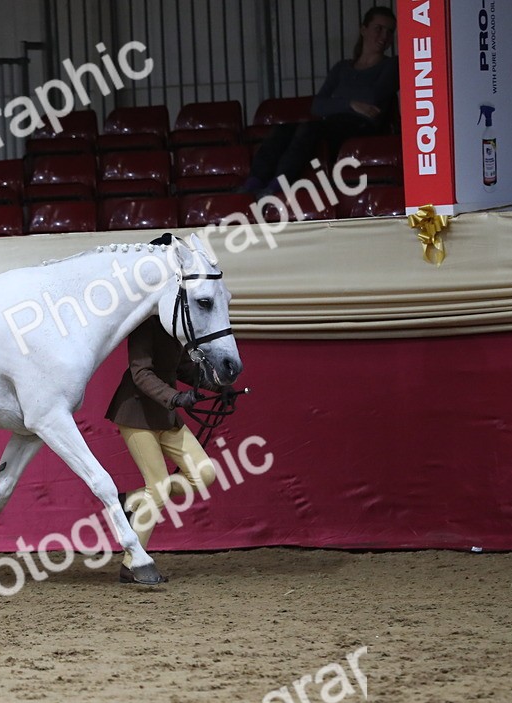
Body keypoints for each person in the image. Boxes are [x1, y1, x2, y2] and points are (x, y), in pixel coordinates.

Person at [105, 235, 220, 583]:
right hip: (137, 412)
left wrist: (214, 382)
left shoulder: (176, 317)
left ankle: (130, 501)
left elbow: (181, 367)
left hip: (165, 412)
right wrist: (174, 398)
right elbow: (140, 372)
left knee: (204, 475)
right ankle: (132, 564)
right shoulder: (144, 321)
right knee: (158, 485)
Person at [242, 6, 399, 197]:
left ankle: (278, 186)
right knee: (281, 130)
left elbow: (373, 96)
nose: (384, 35)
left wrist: (338, 101)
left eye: (390, 31)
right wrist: (351, 104)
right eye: (379, 28)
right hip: (334, 124)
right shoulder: (342, 67)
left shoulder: (392, 65)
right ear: (363, 29)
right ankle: (253, 182)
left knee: (309, 129)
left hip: (362, 128)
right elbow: (318, 105)